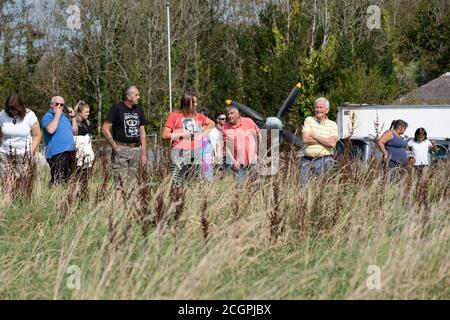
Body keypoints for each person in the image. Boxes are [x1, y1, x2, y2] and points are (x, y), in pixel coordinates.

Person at [102, 86, 148, 198]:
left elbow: (142, 132)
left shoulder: (139, 110)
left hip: (136, 149)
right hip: (121, 149)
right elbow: (105, 128)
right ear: (128, 96)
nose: (139, 97)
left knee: (134, 182)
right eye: (136, 95)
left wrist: (143, 154)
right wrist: (114, 146)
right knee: (119, 183)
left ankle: (131, 210)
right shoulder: (117, 108)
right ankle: (118, 211)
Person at [161, 92, 215, 186]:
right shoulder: (174, 116)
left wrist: (201, 135)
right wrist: (182, 134)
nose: (196, 105)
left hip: (195, 152)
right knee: (177, 183)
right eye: (194, 102)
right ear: (186, 103)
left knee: (194, 182)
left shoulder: (197, 116)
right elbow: (164, 135)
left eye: (196, 102)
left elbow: (211, 123)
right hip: (179, 153)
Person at [0, 95, 41, 197]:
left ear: (20, 107)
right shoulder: (2, 115)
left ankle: (21, 202)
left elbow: (37, 135)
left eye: (14, 109)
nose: (12, 112)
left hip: (24, 153)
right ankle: (7, 203)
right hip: (5, 153)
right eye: (9, 109)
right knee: (6, 180)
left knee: (23, 181)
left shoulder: (30, 115)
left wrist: (31, 152)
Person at [300, 97, 338, 184]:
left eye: (321, 108)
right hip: (307, 161)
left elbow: (332, 144)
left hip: (325, 161)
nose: (318, 110)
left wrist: (314, 135)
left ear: (327, 110)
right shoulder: (309, 120)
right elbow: (305, 139)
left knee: (325, 188)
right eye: (317, 107)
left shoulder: (332, 125)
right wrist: (325, 140)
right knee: (304, 190)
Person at [41, 96, 78, 185]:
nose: (59, 107)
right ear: (51, 105)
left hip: (70, 152)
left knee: (69, 180)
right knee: (58, 180)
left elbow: (75, 132)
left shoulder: (65, 117)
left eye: (62, 105)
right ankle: (53, 196)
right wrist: (57, 114)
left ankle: (66, 198)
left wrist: (73, 118)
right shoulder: (47, 117)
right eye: (57, 104)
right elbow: (50, 130)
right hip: (57, 153)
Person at [222, 105, 260, 180]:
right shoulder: (224, 127)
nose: (229, 116)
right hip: (238, 163)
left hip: (253, 160)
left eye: (232, 113)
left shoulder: (248, 121)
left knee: (256, 185)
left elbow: (259, 135)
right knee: (240, 187)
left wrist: (258, 151)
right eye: (228, 114)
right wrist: (233, 161)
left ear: (238, 114)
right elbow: (226, 147)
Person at [74, 101, 95, 170]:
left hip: (88, 155)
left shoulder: (87, 123)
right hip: (79, 156)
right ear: (80, 113)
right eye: (86, 112)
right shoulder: (75, 124)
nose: (88, 114)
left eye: (88, 112)